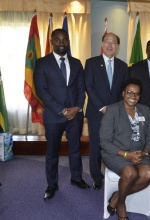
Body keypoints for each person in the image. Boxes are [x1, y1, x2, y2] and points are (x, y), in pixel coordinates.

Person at [34, 28, 89, 200]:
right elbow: (41, 91)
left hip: (75, 115)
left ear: (68, 42)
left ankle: (76, 178)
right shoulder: (42, 63)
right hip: (53, 116)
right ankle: (52, 184)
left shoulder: (76, 62)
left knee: (75, 149)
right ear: (52, 42)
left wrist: (77, 107)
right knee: (52, 152)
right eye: (57, 40)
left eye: (65, 40)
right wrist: (62, 110)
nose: (62, 43)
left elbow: (81, 88)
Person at [100, 78, 150, 220]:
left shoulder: (145, 110)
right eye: (130, 92)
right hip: (116, 152)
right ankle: (121, 204)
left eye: (137, 94)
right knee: (130, 173)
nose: (133, 97)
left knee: (149, 174)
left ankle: (117, 197)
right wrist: (126, 154)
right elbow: (104, 142)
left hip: (139, 151)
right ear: (123, 93)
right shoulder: (112, 110)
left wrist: (145, 152)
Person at [85, 32, 129, 190]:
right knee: (96, 146)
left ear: (117, 47)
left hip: (116, 114)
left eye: (114, 43)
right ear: (102, 44)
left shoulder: (123, 66)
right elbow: (88, 86)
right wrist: (102, 107)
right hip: (97, 113)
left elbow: (124, 91)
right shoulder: (91, 63)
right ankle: (96, 177)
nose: (110, 45)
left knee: (115, 145)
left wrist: (116, 109)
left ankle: (115, 173)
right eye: (107, 42)